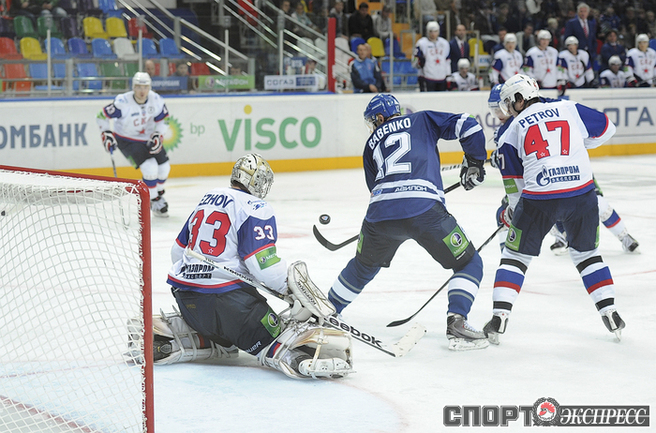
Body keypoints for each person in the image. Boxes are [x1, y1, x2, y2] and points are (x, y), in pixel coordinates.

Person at [155, 154, 353, 379]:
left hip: (187, 301)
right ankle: (298, 359)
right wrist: (291, 291)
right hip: (231, 306)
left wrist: (201, 277)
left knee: (226, 337)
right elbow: (263, 266)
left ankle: (178, 340)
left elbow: (177, 252)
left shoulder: (208, 198)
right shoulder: (255, 207)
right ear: (256, 181)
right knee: (275, 336)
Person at [327, 94, 490, 351]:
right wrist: (474, 162)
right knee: (469, 263)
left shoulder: (371, 142)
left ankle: (326, 311)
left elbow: (375, 186)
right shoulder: (422, 119)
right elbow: (469, 124)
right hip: (425, 211)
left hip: (379, 214)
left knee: (363, 267)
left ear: (379, 118)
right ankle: (457, 323)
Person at [482, 74, 626, 345]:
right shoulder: (568, 107)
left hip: (540, 199)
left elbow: (515, 185)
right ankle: (610, 312)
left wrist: (513, 213)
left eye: (509, 103)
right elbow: (608, 128)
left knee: (515, 257)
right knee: (587, 255)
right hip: (583, 194)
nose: (508, 110)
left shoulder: (512, 130)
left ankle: (499, 317)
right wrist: (579, 144)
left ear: (519, 99)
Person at [96, 72, 172, 217]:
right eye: (138, 87)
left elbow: (165, 119)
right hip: (127, 140)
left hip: (148, 138)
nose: (142, 91)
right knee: (150, 167)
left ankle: (157, 193)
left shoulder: (156, 100)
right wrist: (106, 133)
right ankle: (153, 200)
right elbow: (101, 116)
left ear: (150, 87)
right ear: (133, 87)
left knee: (164, 168)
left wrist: (158, 133)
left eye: (145, 87)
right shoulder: (123, 102)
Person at [413, 21, 451, 91]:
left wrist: (448, 75)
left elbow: (447, 60)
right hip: (427, 76)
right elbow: (415, 60)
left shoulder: (444, 43)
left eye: (435, 31)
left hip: (442, 76)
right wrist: (420, 65)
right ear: (427, 31)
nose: (433, 34)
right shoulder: (421, 43)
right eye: (431, 31)